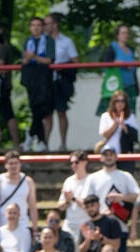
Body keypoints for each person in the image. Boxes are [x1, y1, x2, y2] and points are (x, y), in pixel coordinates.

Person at [44, 13, 79, 152]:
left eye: (47, 23)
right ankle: (44, 144)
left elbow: (76, 60)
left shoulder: (67, 41)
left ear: (55, 24)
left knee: (61, 112)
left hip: (60, 80)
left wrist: (62, 66)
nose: (45, 26)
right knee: (46, 114)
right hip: (45, 81)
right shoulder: (42, 41)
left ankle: (63, 143)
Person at [21, 17, 55, 152]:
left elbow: (48, 60)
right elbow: (24, 60)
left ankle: (31, 135)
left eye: (38, 25)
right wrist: (29, 58)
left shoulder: (48, 41)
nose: (35, 28)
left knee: (41, 106)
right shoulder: (27, 41)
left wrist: (34, 57)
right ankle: (39, 138)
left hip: (43, 76)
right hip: (31, 76)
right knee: (35, 106)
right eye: (33, 25)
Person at [98, 24, 139, 114]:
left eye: (127, 33)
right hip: (117, 86)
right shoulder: (112, 48)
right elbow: (106, 62)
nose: (125, 35)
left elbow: (134, 70)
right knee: (115, 114)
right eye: (123, 33)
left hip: (130, 85)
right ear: (117, 35)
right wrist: (121, 63)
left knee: (130, 114)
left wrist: (137, 87)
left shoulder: (131, 50)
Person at [98, 90, 139, 157]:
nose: (120, 103)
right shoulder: (105, 116)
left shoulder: (131, 116)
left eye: (122, 101)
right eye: (117, 101)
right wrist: (115, 124)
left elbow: (134, 137)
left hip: (125, 153)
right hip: (110, 153)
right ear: (113, 102)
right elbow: (105, 135)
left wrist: (123, 125)